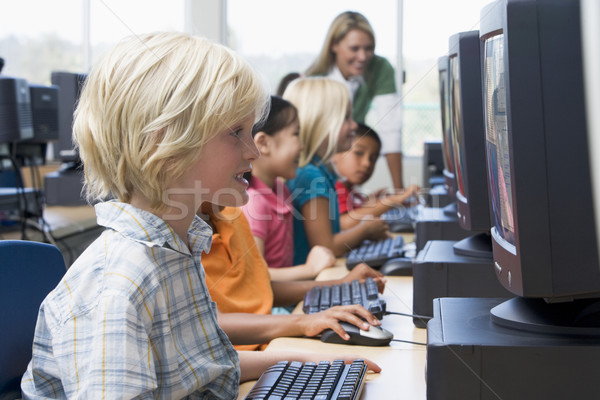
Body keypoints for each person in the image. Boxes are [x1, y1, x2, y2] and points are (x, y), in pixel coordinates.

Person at [20, 32, 380, 399]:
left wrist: (309, 363)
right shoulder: (118, 288)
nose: (253, 151)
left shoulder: (177, 244)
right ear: (165, 145)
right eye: (237, 133)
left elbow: (204, 368)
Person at [200, 203, 386, 351]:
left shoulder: (232, 214)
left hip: (270, 341)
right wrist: (305, 322)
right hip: (238, 358)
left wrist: (340, 284)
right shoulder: (177, 236)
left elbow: (260, 288)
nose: (253, 155)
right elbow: (212, 324)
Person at [283, 77, 390, 265]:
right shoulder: (310, 175)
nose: (354, 125)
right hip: (312, 279)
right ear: (320, 123)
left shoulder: (321, 170)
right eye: (346, 118)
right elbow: (326, 246)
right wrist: (365, 230)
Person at [305, 11, 405, 190]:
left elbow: (391, 130)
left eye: (369, 48)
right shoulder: (314, 81)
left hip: (346, 166)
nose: (363, 57)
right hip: (318, 167)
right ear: (334, 45)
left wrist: (399, 190)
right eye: (354, 49)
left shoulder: (379, 67)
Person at [243, 95, 336, 281]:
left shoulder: (281, 190)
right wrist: (309, 269)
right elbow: (256, 275)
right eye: (296, 135)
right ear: (263, 143)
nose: (302, 146)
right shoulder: (254, 202)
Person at [333, 123, 420, 229]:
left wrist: (370, 202)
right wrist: (390, 202)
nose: (367, 163)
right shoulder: (335, 189)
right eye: (359, 153)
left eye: (373, 159)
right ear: (336, 153)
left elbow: (356, 211)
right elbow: (343, 223)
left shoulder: (352, 192)